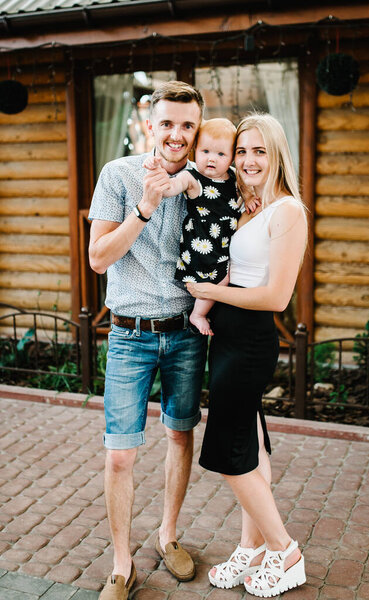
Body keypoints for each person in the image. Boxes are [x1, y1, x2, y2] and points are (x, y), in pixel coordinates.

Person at [88, 81, 208, 600]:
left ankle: (168, 535)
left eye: (188, 125)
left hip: (185, 334)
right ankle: (122, 563)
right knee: (120, 455)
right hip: (130, 336)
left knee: (180, 436)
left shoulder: (207, 182)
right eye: (168, 123)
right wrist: (146, 204)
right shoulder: (118, 175)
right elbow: (98, 258)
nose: (177, 135)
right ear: (148, 125)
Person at [186, 113, 308, 598]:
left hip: (253, 337)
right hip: (229, 336)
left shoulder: (288, 211)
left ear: (276, 154)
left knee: (229, 452)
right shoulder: (249, 207)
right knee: (252, 448)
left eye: (259, 151)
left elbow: (276, 297)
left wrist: (211, 289)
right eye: (242, 151)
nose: (248, 160)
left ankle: (284, 550)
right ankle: (249, 548)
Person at [144, 117, 258, 336]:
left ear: (232, 157)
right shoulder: (192, 177)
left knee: (223, 280)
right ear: (195, 150)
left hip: (223, 246)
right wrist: (156, 172)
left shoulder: (234, 177)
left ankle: (201, 312)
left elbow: (245, 192)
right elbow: (169, 188)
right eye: (205, 151)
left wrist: (250, 198)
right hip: (200, 245)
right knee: (212, 282)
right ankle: (198, 313)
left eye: (220, 154)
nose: (211, 159)